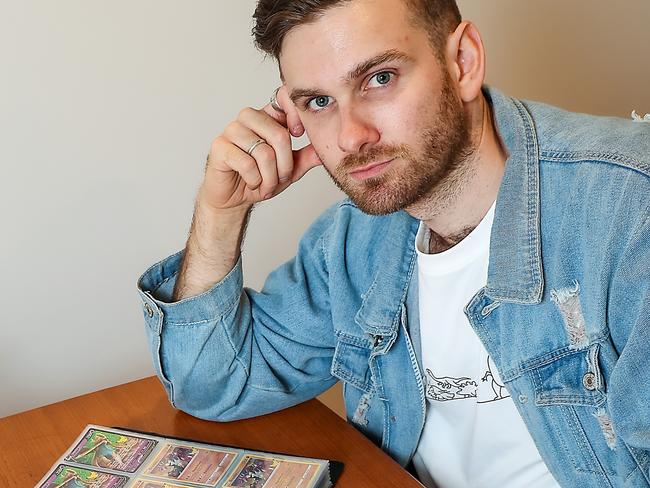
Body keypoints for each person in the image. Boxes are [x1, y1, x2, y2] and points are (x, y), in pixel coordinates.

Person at [137, 0, 650, 486]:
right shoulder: (353, 241)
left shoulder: (630, 213)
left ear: (464, 62)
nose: (350, 136)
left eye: (379, 79)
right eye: (318, 102)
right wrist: (221, 214)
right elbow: (212, 385)